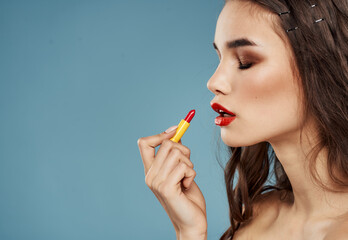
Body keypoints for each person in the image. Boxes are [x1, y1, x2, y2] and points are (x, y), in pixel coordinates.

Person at [137, 0, 348, 239]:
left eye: (245, 62)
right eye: (220, 58)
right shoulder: (257, 217)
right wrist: (189, 232)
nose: (213, 82)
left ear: (321, 69)